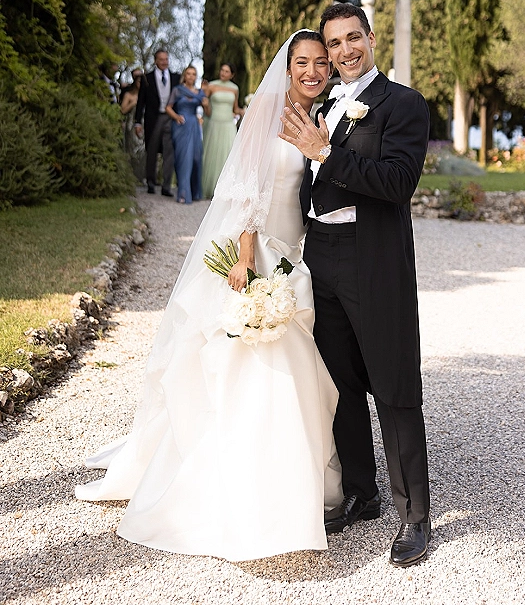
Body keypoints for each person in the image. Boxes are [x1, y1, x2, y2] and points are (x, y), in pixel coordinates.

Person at [75, 31, 342, 561]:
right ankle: (256, 499)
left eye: (321, 64)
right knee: (263, 366)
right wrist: (245, 258)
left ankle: (304, 486)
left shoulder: (325, 117)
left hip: (295, 256)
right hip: (258, 252)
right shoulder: (266, 114)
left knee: (300, 365)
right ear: (287, 69)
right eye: (302, 64)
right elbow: (247, 186)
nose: (312, 72)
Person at [279, 2, 432, 568]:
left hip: (373, 258)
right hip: (322, 257)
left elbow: (396, 183)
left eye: (351, 39)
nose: (342, 52)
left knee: (392, 382)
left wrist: (326, 152)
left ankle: (414, 515)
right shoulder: (323, 107)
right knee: (339, 380)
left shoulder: (404, 105)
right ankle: (362, 492)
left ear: (370, 39)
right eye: (333, 43)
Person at [134, 49, 180, 196]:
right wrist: (137, 122)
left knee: (169, 151)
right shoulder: (147, 78)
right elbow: (140, 102)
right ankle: (151, 183)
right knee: (152, 151)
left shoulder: (176, 78)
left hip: (170, 118)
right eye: (161, 59)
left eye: (166, 59)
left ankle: (166, 186)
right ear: (155, 61)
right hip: (153, 119)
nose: (164, 62)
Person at [201, 62, 244, 199]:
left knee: (228, 154)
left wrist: (244, 111)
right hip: (214, 123)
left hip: (228, 125)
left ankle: (225, 190)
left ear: (232, 75)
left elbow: (234, 109)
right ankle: (209, 188)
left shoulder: (235, 89)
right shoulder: (211, 86)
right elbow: (205, 106)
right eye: (222, 70)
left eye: (226, 71)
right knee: (212, 154)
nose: (223, 73)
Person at [165, 66, 207, 203]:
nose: (191, 76)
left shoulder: (200, 92)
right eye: (188, 74)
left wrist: (206, 105)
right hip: (181, 126)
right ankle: (183, 193)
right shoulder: (178, 90)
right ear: (185, 75)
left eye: (193, 74)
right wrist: (176, 117)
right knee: (184, 159)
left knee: (195, 158)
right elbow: (168, 107)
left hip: (194, 126)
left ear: (196, 76)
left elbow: (207, 111)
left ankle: (195, 192)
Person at [120, 68, 146, 182]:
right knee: (131, 150)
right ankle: (130, 176)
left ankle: (141, 176)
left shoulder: (146, 96)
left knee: (143, 150)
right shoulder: (129, 95)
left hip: (144, 125)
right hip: (131, 125)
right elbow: (122, 110)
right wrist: (133, 104)